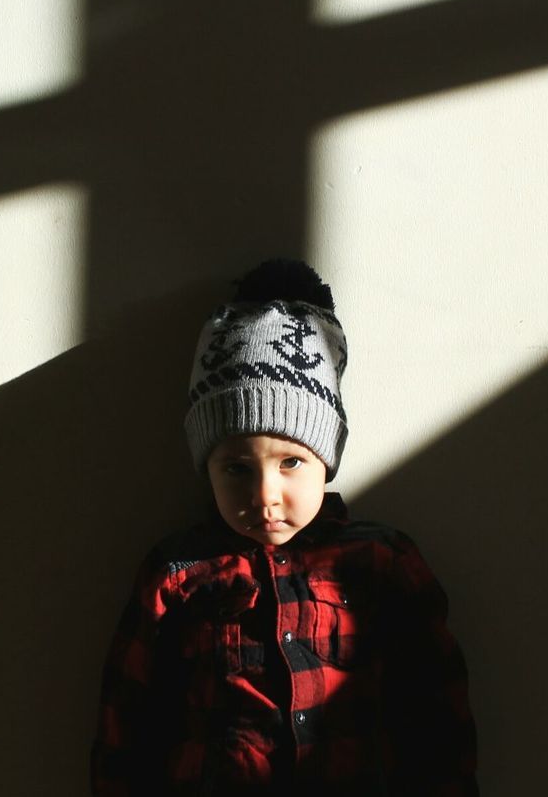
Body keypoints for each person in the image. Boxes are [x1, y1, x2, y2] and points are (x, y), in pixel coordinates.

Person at [90, 260, 478, 796]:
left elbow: (435, 709)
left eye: (291, 462)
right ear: (207, 469)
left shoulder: (381, 562)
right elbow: (128, 721)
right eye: (237, 468)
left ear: (327, 457)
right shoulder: (179, 573)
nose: (265, 496)